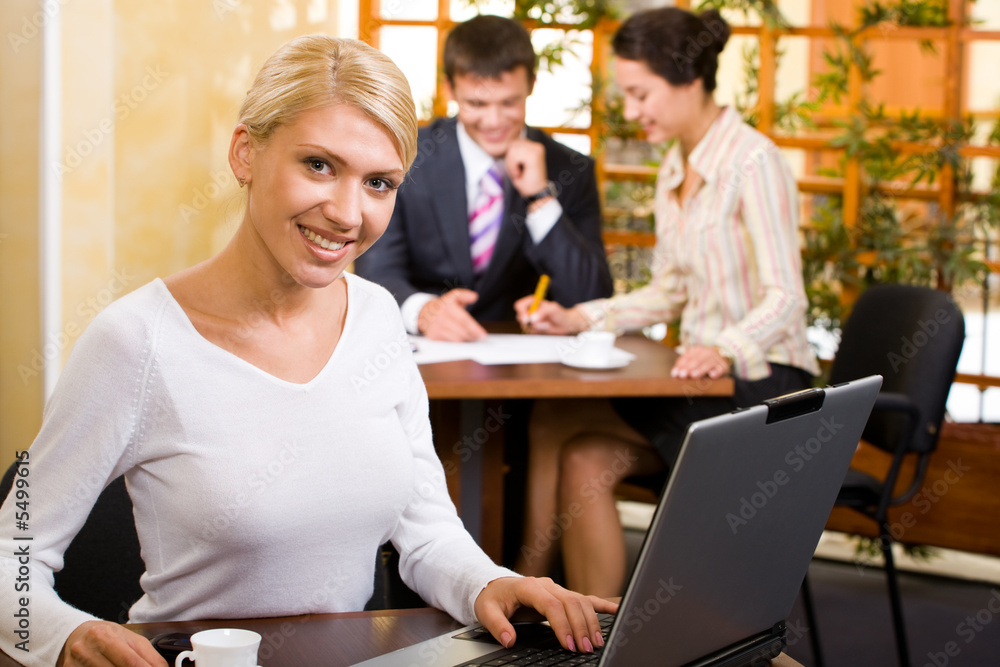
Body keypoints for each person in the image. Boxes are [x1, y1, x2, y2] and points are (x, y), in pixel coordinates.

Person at [0, 36, 615, 667]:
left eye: (379, 182)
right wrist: (65, 638)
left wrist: (491, 582)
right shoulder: (134, 341)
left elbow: (426, 532)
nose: (348, 213)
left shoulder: (378, 319)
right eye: (319, 165)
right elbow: (10, 558)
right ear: (246, 153)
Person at [511, 7, 821, 598]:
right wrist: (579, 317)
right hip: (697, 382)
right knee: (574, 447)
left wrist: (723, 350)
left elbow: (787, 297)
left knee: (558, 422)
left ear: (688, 78)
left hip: (762, 387)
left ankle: (529, 593)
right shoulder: (675, 166)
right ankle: (570, 620)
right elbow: (671, 291)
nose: (631, 112)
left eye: (639, 94)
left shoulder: (754, 162)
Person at [354, 15, 612, 342]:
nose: (493, 121)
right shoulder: (404, 157)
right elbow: (375, 270)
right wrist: (424, 311)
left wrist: (540, 198)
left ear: (530, 86)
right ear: (450, 89)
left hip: (524, 367)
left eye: (508, 103)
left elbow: (592, 295)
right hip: (419, 358)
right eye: (477, 103)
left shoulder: (571, 168)